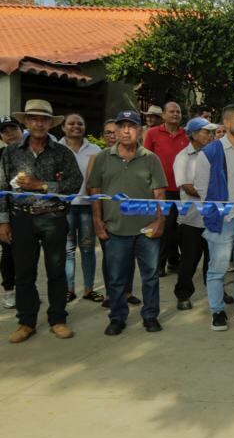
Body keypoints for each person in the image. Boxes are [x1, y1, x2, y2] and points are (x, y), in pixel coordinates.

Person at [0, 101, 82, 343]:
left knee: (56, 271)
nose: (38, 123)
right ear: (26, 122)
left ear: (50, 123)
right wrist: (3, 221)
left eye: (43, 119)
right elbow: (2, 187)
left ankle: (57, 319)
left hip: (54, 217)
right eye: (33, 118)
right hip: (21, 218)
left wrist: (42, 185)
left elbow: (74, 184)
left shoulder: (62, 152)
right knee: (24, 272)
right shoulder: (11, 152)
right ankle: (26, 321)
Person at [87, 110, 167, 336]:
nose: (126, 130)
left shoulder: (150, 159)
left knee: (150, 276)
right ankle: (117, 317)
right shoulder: (103, 158)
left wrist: (159, 222)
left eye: (131, 126)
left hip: (146, 229)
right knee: (116, 277)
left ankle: (150, 316)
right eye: (121, 126)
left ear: (140, 130)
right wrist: (97, 220)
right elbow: (95, 191)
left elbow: (160, 193)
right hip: (115, 228)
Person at [193, 104, 234, 331]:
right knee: (217, 269)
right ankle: (217, 311)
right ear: (226, 124)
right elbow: (201, 187)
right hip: (222, 220)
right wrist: (220, 211)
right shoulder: (210, 152)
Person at [172, 117, 217, 310]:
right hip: (192, 218)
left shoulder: (215, 154)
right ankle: (183, 294)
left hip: (214, 217)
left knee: (213, 259)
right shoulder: (183, 157)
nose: (210, 135)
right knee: (189, 260)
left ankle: (215, 293)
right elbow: (187, 187)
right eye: (206, 131)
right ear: (193, 134)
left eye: (211, 132)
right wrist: (215, 193)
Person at [59, 113, 102, 304]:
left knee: (87, 249)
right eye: (71, 123)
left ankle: (88, 289)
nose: (76, 126)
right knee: (67, 250)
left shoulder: (94, 149)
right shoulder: (56, 149)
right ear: (63, 127)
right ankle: (69, 289)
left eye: (80, 123)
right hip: (64, 207)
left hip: (86, 207)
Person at [143, 101, 188, 277]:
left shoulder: (186, 134)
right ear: (163, 115)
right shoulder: (152, 133)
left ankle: (174, 261)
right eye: (171, 111)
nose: (175, 114)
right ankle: (160, 263)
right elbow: (145, 159)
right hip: (161, 189)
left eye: (178, 111)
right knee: (164, 227)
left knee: (179, 229)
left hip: (183, 189)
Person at [0, 116, 23, 309]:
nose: (10, 134)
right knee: (8, 252)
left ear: (21, 130)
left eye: (13, 129)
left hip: (31, 212)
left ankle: (25, 292)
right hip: (6, 212)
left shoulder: (31, 152)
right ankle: (8, 290)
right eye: (5, 131)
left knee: (27, 255)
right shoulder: (1, 155)